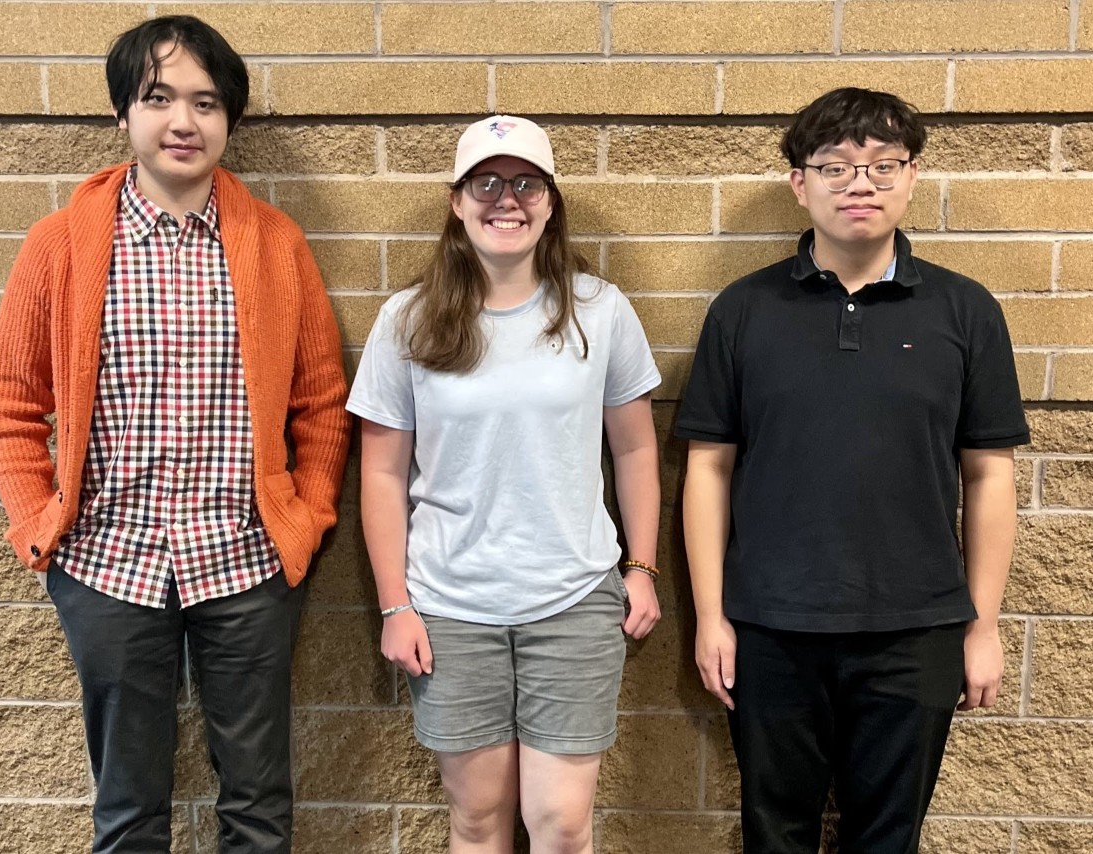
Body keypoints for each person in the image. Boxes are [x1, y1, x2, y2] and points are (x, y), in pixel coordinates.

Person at [0, 16, 350, 853]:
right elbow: (9, 400)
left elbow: (321, 402)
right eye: (159, 98)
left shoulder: (275, 246)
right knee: (127, 811)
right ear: (125, 114)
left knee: (257, 806)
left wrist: (308, 511)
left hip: (246, 561)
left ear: (228, 121)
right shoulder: (61, 246)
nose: (183, 121)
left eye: (206, 102)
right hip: (109, 564)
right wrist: (39, 521)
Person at [676, 87, 1030, 853]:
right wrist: (711, 614)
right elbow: (707, 467)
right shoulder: (743, 310)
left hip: (919, 629)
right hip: (769, 627)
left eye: (880, 165)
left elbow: (990, 474)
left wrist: (983, 623)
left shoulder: (966, 312)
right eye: (834, 166)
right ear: (799, 184)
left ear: (911, 177)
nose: (859, 184)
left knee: (888, 838)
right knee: (776, 834)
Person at [348, 115, 662, 854]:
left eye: (526, 182)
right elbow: (383, 474)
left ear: (550, 200)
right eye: (486, 183)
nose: (506, 199)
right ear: (457, 201)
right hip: (451, 606)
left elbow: (638, 450)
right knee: (479, 821)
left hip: (575, 600)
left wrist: (641, 570)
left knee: (559, 825)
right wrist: (395, 603)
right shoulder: (409, 320)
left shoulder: (599, 311)